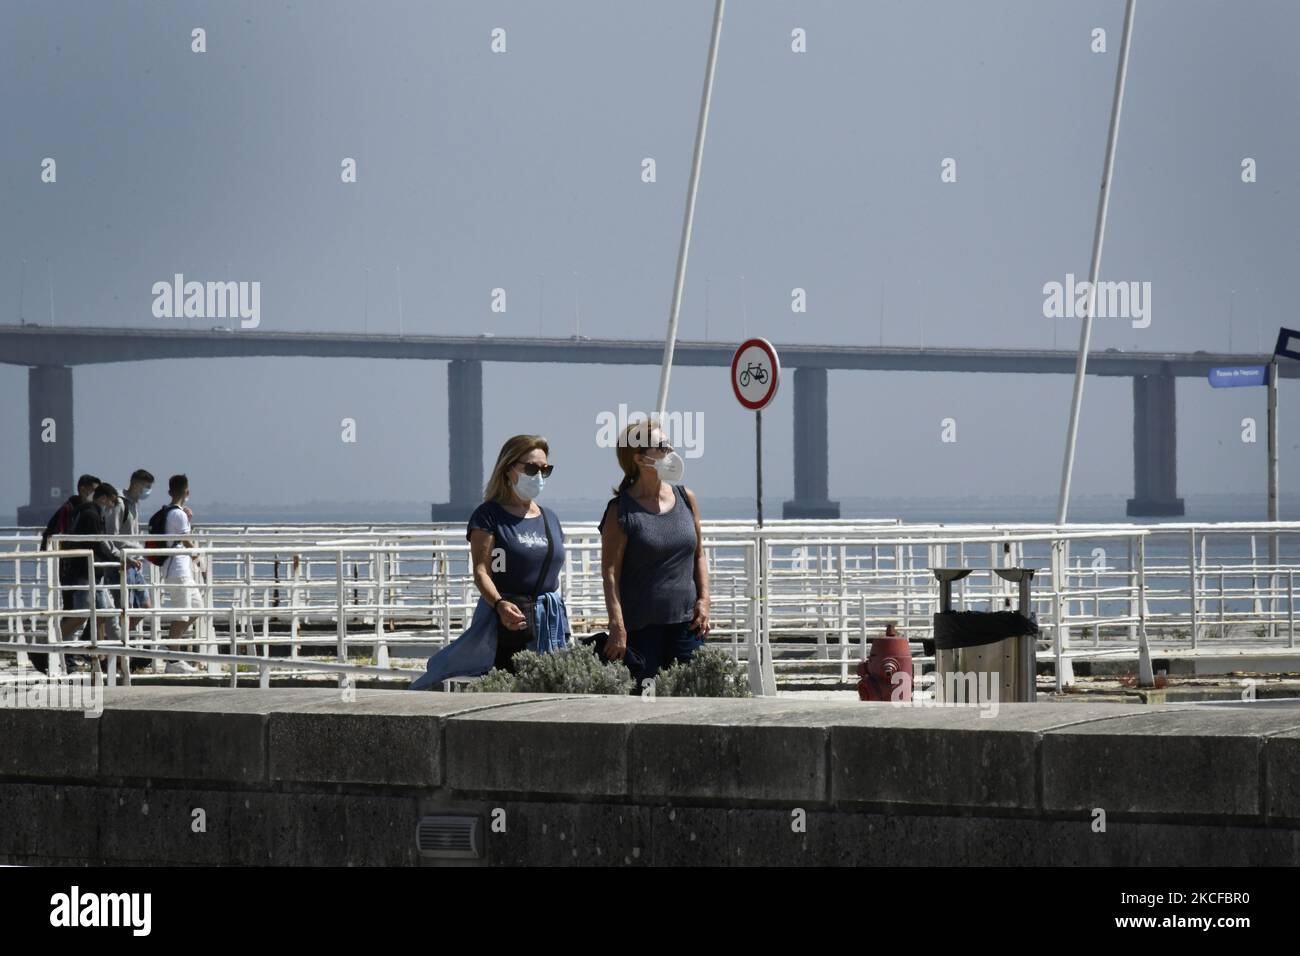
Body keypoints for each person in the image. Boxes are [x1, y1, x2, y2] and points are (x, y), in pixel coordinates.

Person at [411, 435, 570, 690]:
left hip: (548, 622)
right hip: (507, 623)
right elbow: (481, 571)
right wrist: (499, 604)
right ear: (509, 469)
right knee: (507, 691)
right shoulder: (488, 516)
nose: (538, 475)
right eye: (531, 468)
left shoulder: (550, 518)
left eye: (545, 469)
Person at [598, 420, 710, 694]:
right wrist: (617, 626)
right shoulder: (621, 511)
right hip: (641, 631)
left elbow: (699, 555)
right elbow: (610, 573)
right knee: (645, 706)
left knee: (696, 701)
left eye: (669, 443)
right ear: (639, 459)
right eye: (661, 446)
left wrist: (704, 600)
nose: (670, 450)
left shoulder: (686, 498)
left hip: (687, 627)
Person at [30, 474, 100, 673]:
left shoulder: (74, 509)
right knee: (74, 612)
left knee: (76, 613)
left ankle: (62, 653)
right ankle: (54, 653)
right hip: (70, 569)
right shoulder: (71, 510)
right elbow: (56, 536)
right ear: (85, 489)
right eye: (95, 490)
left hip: (70, 567)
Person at [62, 483, 125, 671]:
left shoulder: (85, 511)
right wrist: (116, 558)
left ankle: (97, 655)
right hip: (85, 572)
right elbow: (98, 544)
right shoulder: (92, 514)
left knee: (102, 613)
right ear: (104, 498)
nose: (111, 507)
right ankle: (54, 645)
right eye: (112, 502)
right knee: (82, 615)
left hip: (89, 572)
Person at [104, 469, 154, 671]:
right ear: (135, 484)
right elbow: (111, 534)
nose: (147, 491)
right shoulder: (120, 503)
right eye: (145, 487)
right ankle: (115, 648)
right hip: (122, 563)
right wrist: (122, 556)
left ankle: (116, 641)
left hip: (135, 562)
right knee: (123, 607)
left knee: (144, 606)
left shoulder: (135, 504)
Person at [158, 474, 200, 674]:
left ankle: (170, 649)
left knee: (197, 608)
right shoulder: (178, 514)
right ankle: (173, 660)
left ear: (169, 492)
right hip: (178, 570)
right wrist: (198, 556)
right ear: (187, 492)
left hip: (180, 570)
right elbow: (186, 540)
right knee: (182, 614)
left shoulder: (176, 513)